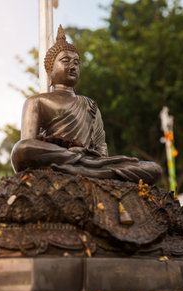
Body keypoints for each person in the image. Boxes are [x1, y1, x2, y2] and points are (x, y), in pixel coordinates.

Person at [11, 25, 162, 185]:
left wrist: (95, 158)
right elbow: (28, 142)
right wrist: (71, 154)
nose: (73, 66)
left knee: (154, 169)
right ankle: (86, 168)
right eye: (65, 61)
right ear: (50, 70)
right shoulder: (36, 101)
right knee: (22, 150)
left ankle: (87, 169)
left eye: (77, 62)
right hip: (63, 157)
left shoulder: (90, 104)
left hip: (92, 161)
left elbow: (101, 148)